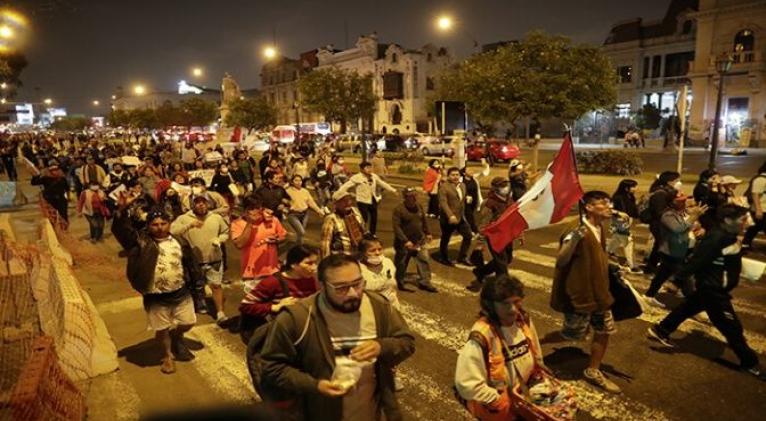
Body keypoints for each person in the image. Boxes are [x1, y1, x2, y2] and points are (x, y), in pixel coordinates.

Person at [259, 254, 416, 421]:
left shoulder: (379, 306)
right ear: (321, 285)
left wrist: (381, 347)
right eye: (340, 288)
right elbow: (271, 367)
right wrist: (315, 385)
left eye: (357, 284)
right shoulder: (297, 317)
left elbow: (407, 343)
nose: (353, 294)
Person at [648, 204, 766, 381]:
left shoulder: (727, 233)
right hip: (714, 289)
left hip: (714, 286)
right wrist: (677, 281)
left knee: (689, 307)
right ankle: (750, 363)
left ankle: (661, 329)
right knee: (732, 327)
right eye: (742, 219)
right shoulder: (717, 237)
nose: (747, 223)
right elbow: (697, 261)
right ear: (727, 221)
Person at [111, 199, 201, 374]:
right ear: (148, 226)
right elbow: (120, 230)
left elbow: (192, 265)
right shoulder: (139, 242)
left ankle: (177, 336)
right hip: (155, 295)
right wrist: (121, 209)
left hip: (180, 292)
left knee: (189, 322)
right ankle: (167, 355)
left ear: (169, 223)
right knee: (162, 328)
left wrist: (198, 286)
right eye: (155, 224)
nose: (159, 227)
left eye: (163, 223)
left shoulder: (179, 241)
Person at [550, 190, 621, 394]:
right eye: (603, 203)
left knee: (604, 330)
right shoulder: (576, 229)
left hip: (599, 293)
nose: (609, 206)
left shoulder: (599, 226)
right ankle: (535, 344)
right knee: (570, 334)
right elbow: (561, 260)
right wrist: (573, 241)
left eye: (609, 203)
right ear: (589, 207)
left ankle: (593, 370)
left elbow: (596, 254)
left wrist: (611, 265)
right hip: (580, 294)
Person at [455, 274, 545, 420]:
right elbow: (466, 384)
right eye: (504, 303)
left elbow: (535, 349)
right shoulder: (482, 336)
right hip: (500, 409)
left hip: (523, 398)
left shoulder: (523, 320)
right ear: (490, 305)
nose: (513, 309)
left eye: (517, 302)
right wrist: (497, 399)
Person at [239, 245, 320, 343]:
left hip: (301, 334)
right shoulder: (273, 282)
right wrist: (275, 307)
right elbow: (245, 305)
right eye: (309, 263)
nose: (314, 268)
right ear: (294, 264)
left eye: (315, 263)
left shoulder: (311, 280)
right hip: (279, 337)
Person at [170, 195, 230, 322]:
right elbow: (173, 231)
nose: (201, 204)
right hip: (194, 261)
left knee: (216, 285)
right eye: (197, 202)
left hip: (214, 258)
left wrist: (219, 239)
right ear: (193, 205)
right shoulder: (184, 218)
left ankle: (220, 312)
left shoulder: (216, 218)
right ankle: (198, 303)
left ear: (208, 204)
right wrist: (189, 226)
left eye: (204, 202)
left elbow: (225, 232)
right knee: (195, 285)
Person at [643, 192, 706, 307]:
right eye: (680, 201)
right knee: (686, 279)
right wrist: (693, 217)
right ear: (672, 202)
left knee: (662, 274)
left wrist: (700, 229)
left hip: (682, 250)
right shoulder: (668, 215)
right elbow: (678, 228)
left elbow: (689, 227)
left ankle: (649, 295)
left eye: (684, 201)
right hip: (672, 251)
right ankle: (693, 306)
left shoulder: (682, 213)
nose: (684, 203)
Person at [468, 178, 515, 292]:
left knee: (507, 259)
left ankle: (481, 271)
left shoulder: (509, 200)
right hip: (495, 237)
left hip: (507, 235)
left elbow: (515, 217)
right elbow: (484, 224)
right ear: (495, 188)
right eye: (502, 186)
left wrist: (520, 234)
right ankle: (503, 287)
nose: (505, 188)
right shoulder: (490, 203)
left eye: (506, 185)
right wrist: (480, 242)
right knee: (501, 264)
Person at [231, 197, 287, 282]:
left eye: (258, 207)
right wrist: (250, 223)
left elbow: (283, 236)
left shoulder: (273, 220)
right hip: (251, 273)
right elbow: (239, 244)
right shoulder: (237, 224)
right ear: (245, 210)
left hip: (272, 271)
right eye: (252, 208)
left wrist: (277, 240)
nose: (256, 211)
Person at [392, 187, 436, 292]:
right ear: (405, 197)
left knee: (424, 260)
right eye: (410, 196)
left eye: (414, 195)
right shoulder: (399, 209)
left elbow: (423, 221)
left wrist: (428, 233)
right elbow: (396, 227)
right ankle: (400, 282)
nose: (413, 198)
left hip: (419, 241)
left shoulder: (419, 206)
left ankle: (425, 282)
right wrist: (405, 241)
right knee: (401, 263)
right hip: (404, 243)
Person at [338, 161, 397, 235]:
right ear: (362, 169)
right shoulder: (357, 177)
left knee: (374, 217)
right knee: (364, 218)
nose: (369, 169)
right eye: (367, 168)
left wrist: (393, 190)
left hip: (372, 199)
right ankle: (362, 233)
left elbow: (382, 183)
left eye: (370, 167)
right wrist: (339, 194)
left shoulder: (374, 176)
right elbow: (346, 186)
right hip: (362, 200)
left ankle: (373, 233)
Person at [645, 171, 682, 273]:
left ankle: (652, 267)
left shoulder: (667, 192)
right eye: (677, 180)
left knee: (660, 245)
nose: (679, 183)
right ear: (669, 182)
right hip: (659, 224)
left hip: (662, 223)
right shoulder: (660, 193)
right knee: (663, 245)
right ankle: (656, 267)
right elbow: (659, 211)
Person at [438, 167, 473, 267]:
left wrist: (467, 198)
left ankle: (462, 257)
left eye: (457, 175)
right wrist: (450, 215)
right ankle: (443, 258)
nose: (455, 177)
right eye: (452, 175)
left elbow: (460, 199)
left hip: (460, 217)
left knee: (468, 236)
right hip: (448, 218)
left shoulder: (463, 186)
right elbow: (443, 203)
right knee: (446, 238)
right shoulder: (444, 187)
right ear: (448, 176)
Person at [358, 235, 401, 309]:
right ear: (362, 253)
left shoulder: (388, 263)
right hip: (371, 310)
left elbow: (393, 285)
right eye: (372, 250)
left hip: (392, 307)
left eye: (380, 249)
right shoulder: (358, 269)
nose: (377, 253)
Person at [320, 190, 366, 258]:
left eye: (349, 200)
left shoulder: (356, 212)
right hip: (341, 258)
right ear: (336, 204)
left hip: (358, 255)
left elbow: (363, 230)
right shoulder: (331, 219)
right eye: (344, 201)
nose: (348, 203)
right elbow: (325, 243)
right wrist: (326, 263)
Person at [608, 179, 640, 272]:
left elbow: (632, 210)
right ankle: (632, 265)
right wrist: (618, 213)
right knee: (628, 241)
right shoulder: (617, 197)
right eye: (633, 187)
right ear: (626, 188)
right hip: (619, 222)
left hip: (627, 221)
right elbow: (609, 209)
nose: (636, 188)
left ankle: (608, 252)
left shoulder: (630, 197)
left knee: (617, 239)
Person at [285, 174, 327, 245]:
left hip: (304, 214)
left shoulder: (305, 191)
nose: (298, 182)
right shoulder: (287, 191)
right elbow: (282, 200)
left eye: (300, 180)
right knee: (301, 232)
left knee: (300, 234)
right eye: (296, 180)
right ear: (292, 182)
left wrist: (319, 211)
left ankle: (299, 247)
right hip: (293, 215)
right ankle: (298, 248)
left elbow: (311, 203)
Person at [460, 160, 491, 234]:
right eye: (469, 170)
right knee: (469, 215)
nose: (472, 171)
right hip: (465, 201)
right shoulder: (461, 180)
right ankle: (474, 230)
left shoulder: (474, 178)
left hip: (474, 201)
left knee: (468, 215)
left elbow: (484, 173)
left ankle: (463, 227)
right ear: (464, 173)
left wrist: (485, 165)